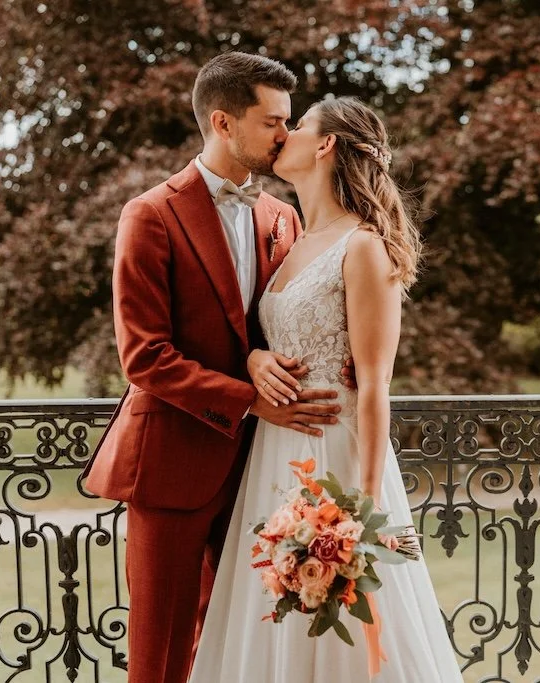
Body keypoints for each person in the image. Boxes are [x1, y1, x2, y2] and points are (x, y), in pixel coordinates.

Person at [83, 52, 350, 683]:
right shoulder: (150, 214)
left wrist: (264, 355)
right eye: (272, 121)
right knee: (163, 651)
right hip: (173, 465)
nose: (285, 135)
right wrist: (248, 396)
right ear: (224, 123)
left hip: (265, 469)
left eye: (288, 121)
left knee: (251, 644)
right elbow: (144, 356)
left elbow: (272, 321)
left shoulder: (282, 217)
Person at [187, 97, 463, 682]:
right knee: (274, 611)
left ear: (326, 144)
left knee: (346, 613)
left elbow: (375, 384)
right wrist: (255, 357)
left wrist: (363, 509)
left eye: (298, 124)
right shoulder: (293, 240)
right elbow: (262, 332)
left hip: (335, 451)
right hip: (274, 451)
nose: (283, 133)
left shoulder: (362, 246)